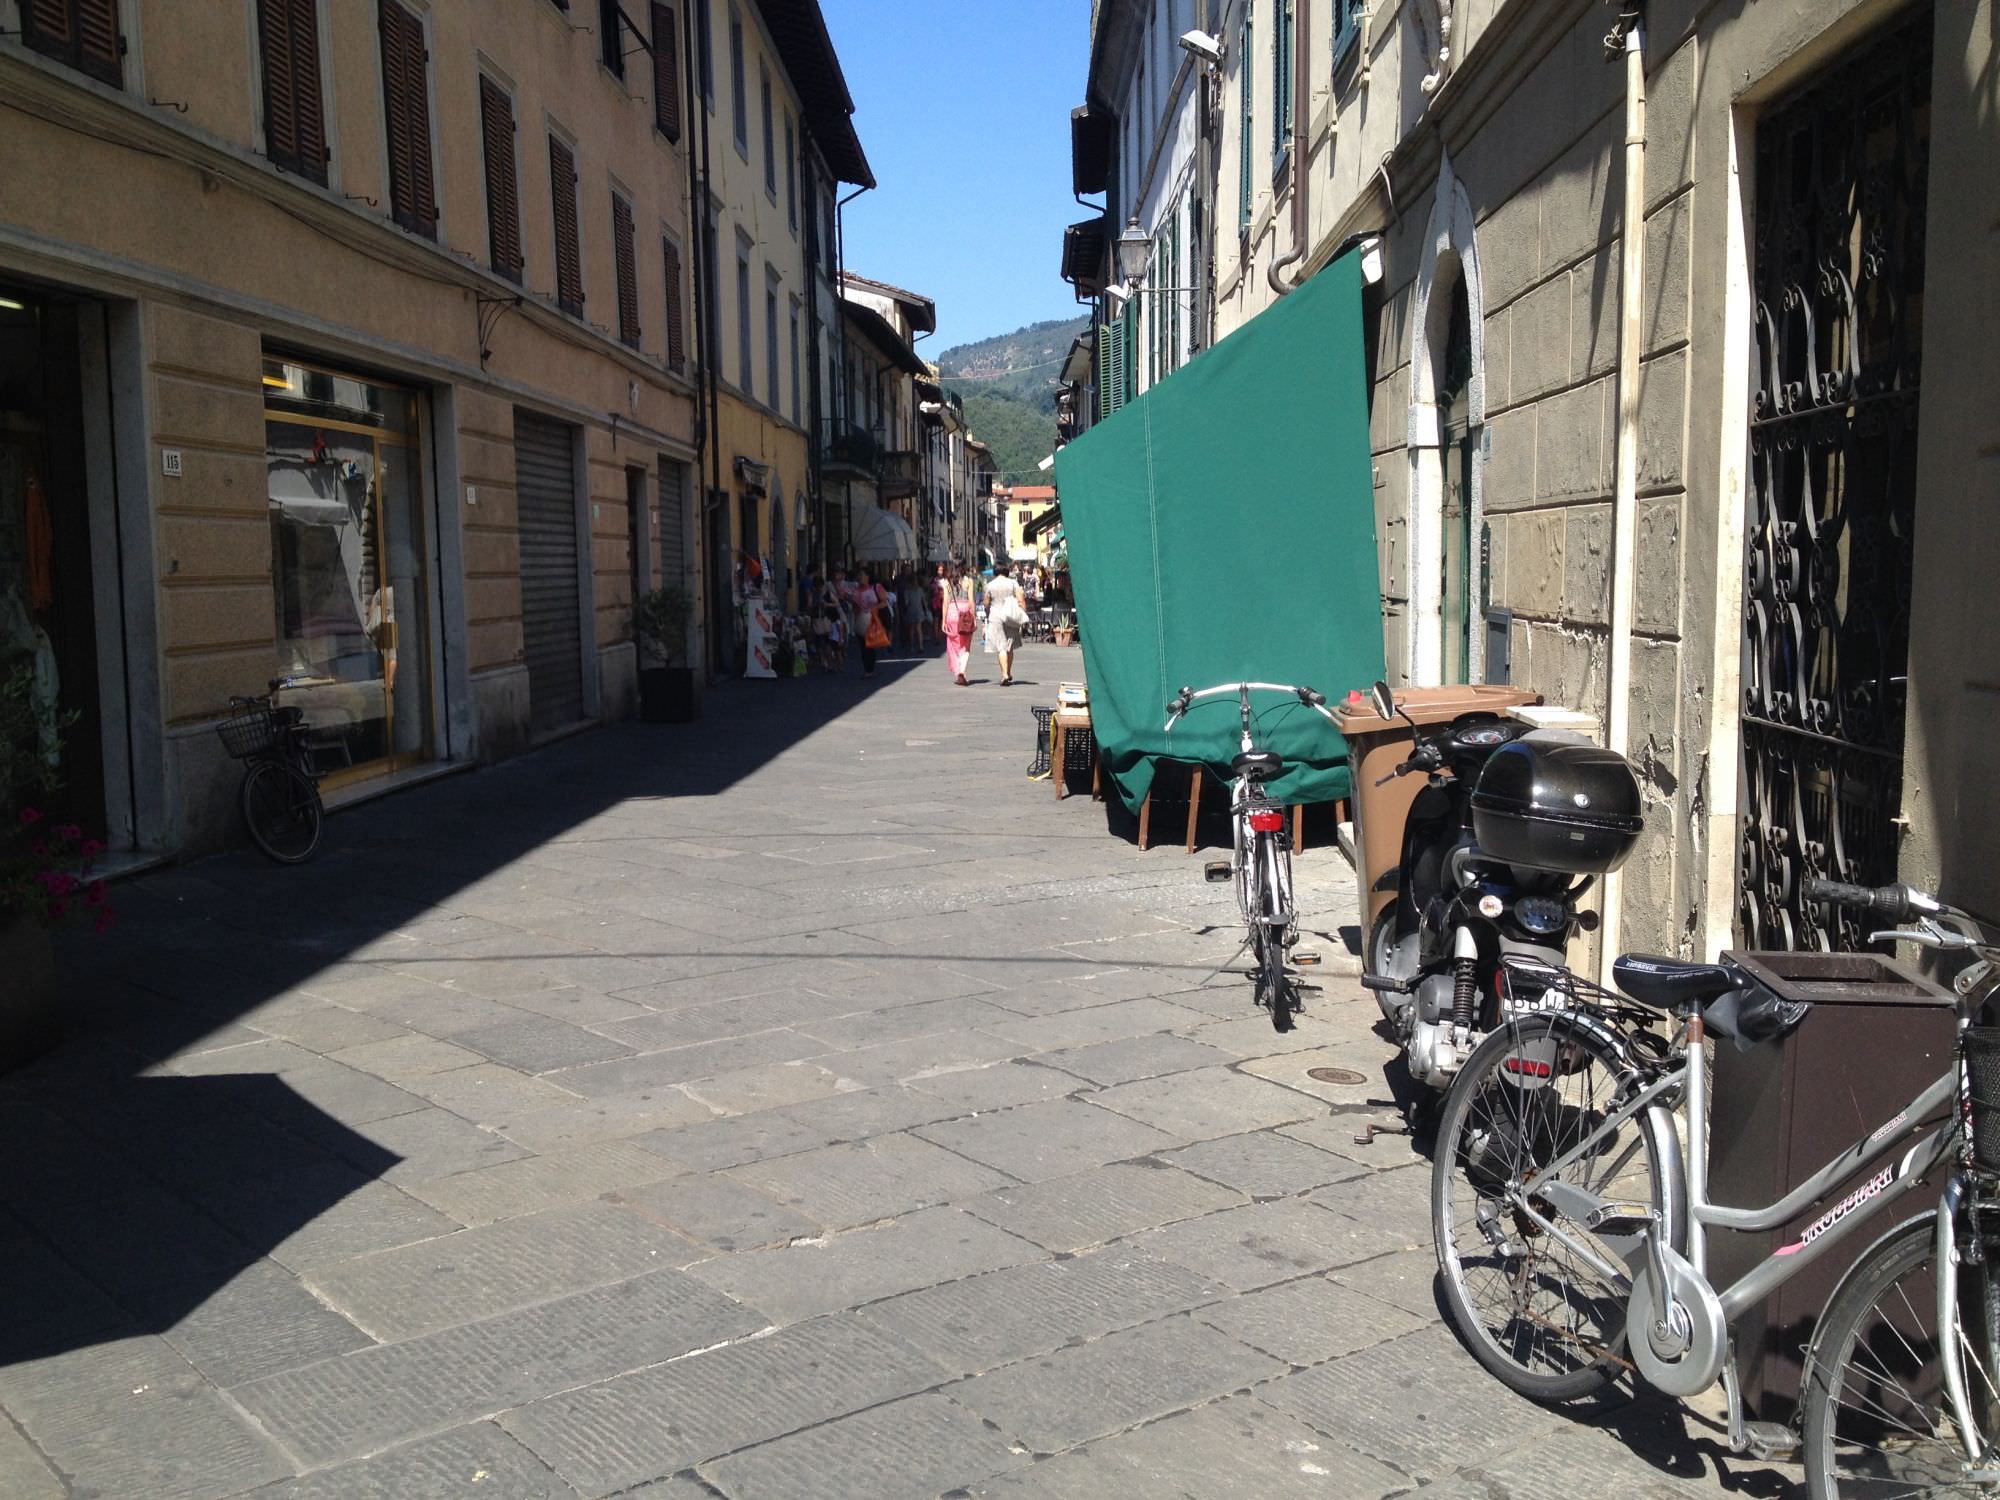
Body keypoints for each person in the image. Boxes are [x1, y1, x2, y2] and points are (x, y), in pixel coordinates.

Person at [983, 559, 1029, 686]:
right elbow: (1020, 599)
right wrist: (1023, 613)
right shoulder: (1013, 583)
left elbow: (986, 604)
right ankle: (1008, 671)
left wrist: (987, 615)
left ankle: (1004, 674)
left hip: (995, 616)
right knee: (1009, 645)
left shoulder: (989, 585)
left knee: (1000, 646)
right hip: (1010, 616)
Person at [941, 557, 978, 686]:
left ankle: (959, 672)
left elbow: (945, 603)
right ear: (964, 567)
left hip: (951, 614)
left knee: (953, 646)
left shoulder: (947, 582)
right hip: (965, 614)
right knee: (966, 647)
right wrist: (974, 618)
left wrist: (943, 620)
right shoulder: (969, 581)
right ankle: (962, 671)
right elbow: (972, 601)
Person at [853, 567, 890, 678]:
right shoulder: (856, 590)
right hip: (860, 620)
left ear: (868, 576)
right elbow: (855, 606)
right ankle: (867, 669)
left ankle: (870, 669)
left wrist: (874, 608)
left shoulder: (876, 587)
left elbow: (884, 602)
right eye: (858, 575)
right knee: (863, 645)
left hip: (874, 620)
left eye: (861, 575)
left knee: (870, 645)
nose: (859, 577)